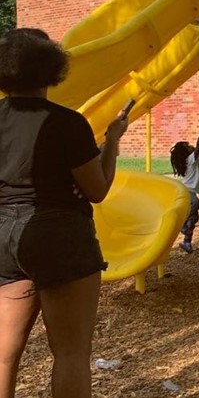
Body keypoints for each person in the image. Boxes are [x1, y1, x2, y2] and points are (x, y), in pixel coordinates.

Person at [0, 28, 130, 398]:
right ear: (51, 69)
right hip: (60, 235)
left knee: (3, 357)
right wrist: (113, 141)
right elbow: (98, 189)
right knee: (71, 353)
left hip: (5, 239)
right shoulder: (67, 122)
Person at [170, 126, 199, 253]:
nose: (192, 146)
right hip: (187, 191)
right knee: (196, 203)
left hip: (189, 190)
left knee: (193, 219)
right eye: (188, 146)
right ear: (186, 153)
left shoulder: (193, 160)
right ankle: (181, 223)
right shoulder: (191, 160)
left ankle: (186, 242)